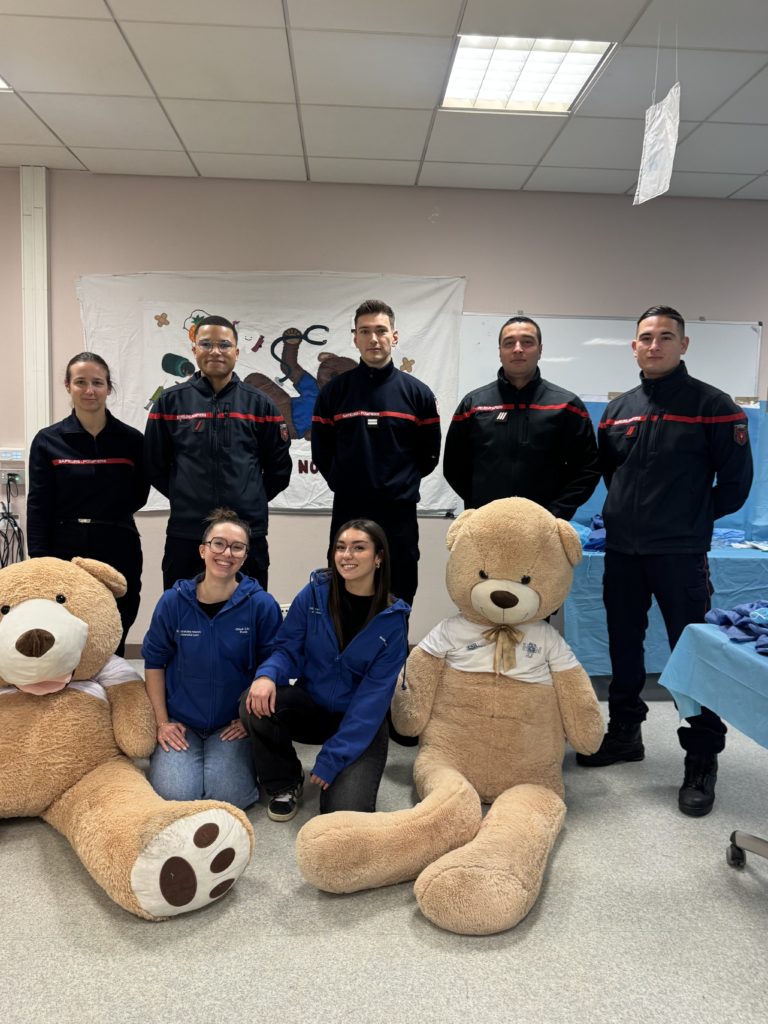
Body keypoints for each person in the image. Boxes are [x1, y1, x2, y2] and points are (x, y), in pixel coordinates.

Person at [577, 305, 753, 817]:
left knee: (692, 653)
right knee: (623, 646)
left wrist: (689, 518)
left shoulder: (714, 406)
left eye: (666, 337)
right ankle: (625, 733)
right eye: (646, 337)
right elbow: (612, 476)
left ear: (683, 345)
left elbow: (736, 485)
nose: (655, 345)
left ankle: (701, 757)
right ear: (634, 346)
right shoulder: (618, 410)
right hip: (622, 553)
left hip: (680, 553)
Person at [239, 519, 409, 821]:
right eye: (340, 547)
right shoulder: (315, 594)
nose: (347, 555)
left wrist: (332, 758)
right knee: (254, 701)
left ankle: (342, 766)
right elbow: (287, 648)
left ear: (379, 557)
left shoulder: (393, 620)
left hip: (360, 721)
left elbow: (372, 700)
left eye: (359, 548)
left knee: (343, 816)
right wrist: (267, 675)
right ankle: (285, 783)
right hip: (313, 707)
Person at [142, 508, 282, 809]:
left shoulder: (261, 605)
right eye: (218, 544)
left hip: (231, 723)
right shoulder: (173, 602)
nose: (226, 553)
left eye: (237, 547)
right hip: (181, 721)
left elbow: (272, 664)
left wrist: (250, 721)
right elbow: (154, 663)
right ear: (203, 550)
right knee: (173, 796)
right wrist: (162, 723)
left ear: (245, 557)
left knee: (230, 797)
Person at [144, 314, 292, 591]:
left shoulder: (260, 404)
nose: (215, 351)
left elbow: (279, 470)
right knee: (182, 610)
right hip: (188, 533)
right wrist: (184, 494)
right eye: (206, 344)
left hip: (246, 533)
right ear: (194, 349)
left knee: (249, 610)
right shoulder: (169, 402)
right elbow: (154, 465)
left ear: (236, 352)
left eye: (224, 345)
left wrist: (248, 498)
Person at [311, 299, 441, 607]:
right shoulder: (334, 392)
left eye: (381, 330)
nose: (373, 338)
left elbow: (429, 455)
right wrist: (347, 484)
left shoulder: (418, 394)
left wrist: (397, 485)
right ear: (354, 338)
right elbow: (322, 451)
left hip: (399, 515)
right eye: (365, 331)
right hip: (349, 510)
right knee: (344, 594)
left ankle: (394, 642)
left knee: (399, 593)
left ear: (394, 336)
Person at [26, 352, 148, 656]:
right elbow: (38, 503)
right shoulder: (47, 440)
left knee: (119, 616)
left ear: (109, 387)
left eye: (97, 382)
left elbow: (139, 494)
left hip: (118, 542)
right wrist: (40, 559)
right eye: (81, 382)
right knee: (66, 622)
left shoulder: (132, 440)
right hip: (63, 545)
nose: (89, 390)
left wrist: (108, 516)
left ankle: (113, 673)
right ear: (68, 386)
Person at [443, 316, 600, 519]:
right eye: (509, 343)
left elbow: (587, 470)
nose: (518, 349)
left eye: (527, 342)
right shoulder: (473, 405)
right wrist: (480, 506)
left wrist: (555, 514)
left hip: (544, 527)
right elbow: (454, 467)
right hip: (486, 525)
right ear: (500, 351)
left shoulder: (567, 406)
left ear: (540, 350)